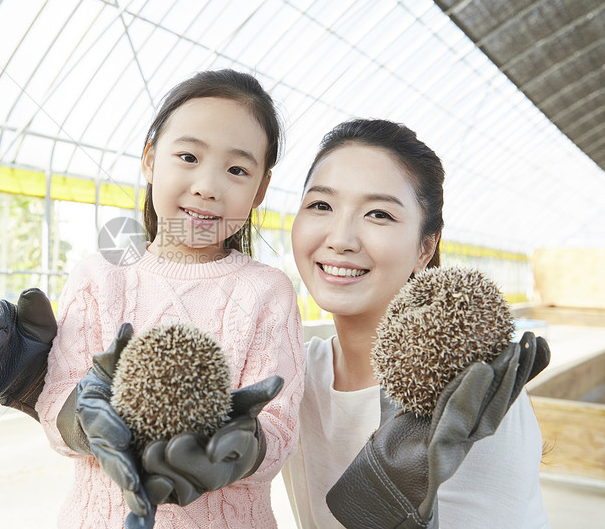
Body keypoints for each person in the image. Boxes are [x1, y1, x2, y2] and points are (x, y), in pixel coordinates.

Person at [29, 69, 306, 528]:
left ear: (260, 190)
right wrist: (87, 423)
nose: (207, 186)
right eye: (188, 156)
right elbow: (55, 402)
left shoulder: (267, 292)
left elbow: (279, 430)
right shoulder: (100, 277)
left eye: (237, 169)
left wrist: (238, 449)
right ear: (151, 160)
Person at [281, 118, 550, 528]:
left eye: (379, 214)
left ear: (426, 247)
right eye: (321, 205)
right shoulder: (291, 373)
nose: (341, 238)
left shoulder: (471, 391)